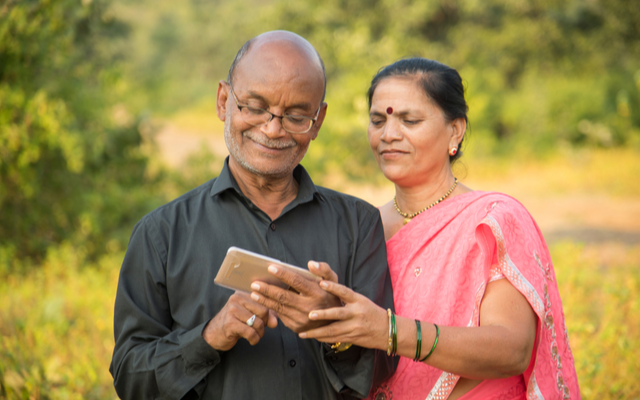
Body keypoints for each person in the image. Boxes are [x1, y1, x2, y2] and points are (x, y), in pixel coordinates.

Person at [109, 31, 396, 400]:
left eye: (296, 116)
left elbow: (385, 369)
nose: (273, 129)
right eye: (255, 107)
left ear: (318, 120)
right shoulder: (161, 234)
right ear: (223, 100)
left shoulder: (358, 225)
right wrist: (210, 336)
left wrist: (334, 328)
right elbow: (130, 377)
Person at [281, 58, 580, 400]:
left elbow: (513, 349)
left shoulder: (492, 219)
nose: (388, 134)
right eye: (378, 120)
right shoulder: (362, 227)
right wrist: (330, 319)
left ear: (455, 130)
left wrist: (390, 331)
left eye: (410, 120)